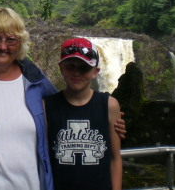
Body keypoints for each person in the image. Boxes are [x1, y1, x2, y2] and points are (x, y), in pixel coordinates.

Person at [0, 7, 126, 190]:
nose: (2, 46)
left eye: (10, 40)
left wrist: (112, 122)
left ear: (20, 43)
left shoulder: (37, 83)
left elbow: (70, 110)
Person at [44, 38, 123, 190]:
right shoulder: (47, 106)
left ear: (95, 72)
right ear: (61, 68)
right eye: (71, 66)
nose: (77, 72)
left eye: (84, 68)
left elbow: (115, 158)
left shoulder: (109, 105)